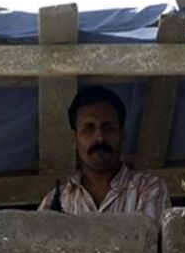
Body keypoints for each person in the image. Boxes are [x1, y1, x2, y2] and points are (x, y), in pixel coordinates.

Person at [37, 86, 171, 220]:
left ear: (122, 134)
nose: (99, 137)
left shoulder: (148, 189)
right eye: (89, 128)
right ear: (74, 139)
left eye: (107, 127)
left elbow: (149, 240)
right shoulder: (54, 202)